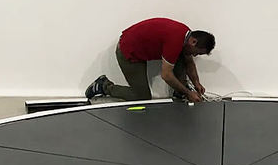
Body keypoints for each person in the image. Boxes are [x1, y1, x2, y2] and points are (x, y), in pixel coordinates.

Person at [85, 18, 215, 104]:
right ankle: (104, 86)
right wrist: (189, 93)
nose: (195, 55)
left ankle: (180, 92)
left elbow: (189, 62)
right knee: (141, 96)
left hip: (138, 46)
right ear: (193, 42)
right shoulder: (175, 41)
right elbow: (166, 75)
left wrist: (197, 83)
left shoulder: (186, 36)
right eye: (197, 52)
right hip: (129, 51)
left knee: (184, 56)